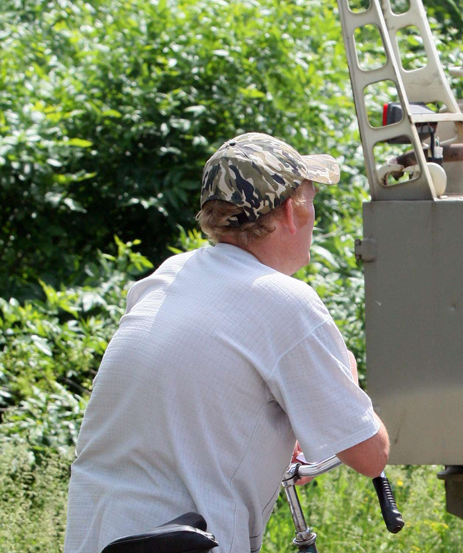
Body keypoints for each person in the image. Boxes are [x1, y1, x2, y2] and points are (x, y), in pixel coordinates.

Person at [64, 133, 390, 553]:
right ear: (292, 211)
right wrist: (347, 372)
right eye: (312, 199)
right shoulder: (286, 302)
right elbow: (371, 454)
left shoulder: (166, 276)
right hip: (181, 544)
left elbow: (192, 408)